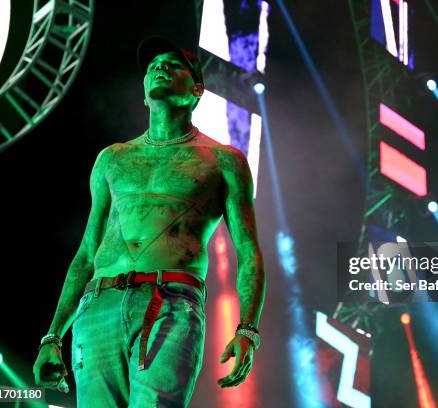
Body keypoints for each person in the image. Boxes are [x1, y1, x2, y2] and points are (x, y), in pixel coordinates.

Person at [32, 36, 266, 407]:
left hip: (170, 302)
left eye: (174, 64)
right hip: (97, 304)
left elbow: (249, 250)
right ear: (143, 93)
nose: (159, 67)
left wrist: (247, 329)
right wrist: (52, 337)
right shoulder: (113, 158)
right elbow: (87, 252)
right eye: (153, 65)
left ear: (196, 90)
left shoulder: (224, 160)